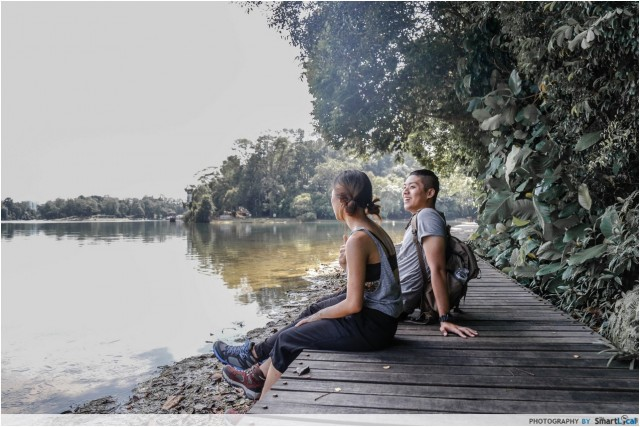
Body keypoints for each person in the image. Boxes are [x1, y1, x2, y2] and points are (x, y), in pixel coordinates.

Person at [219, 170, 404, 400]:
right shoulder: (375, 230)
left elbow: (353, 304)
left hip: (374, 327)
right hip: (382, 319)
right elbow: (373, 284)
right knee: (313, 309)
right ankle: (257, 376)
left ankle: (259, 411)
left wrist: (317, 318)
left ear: (341, 201)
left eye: (331, 196)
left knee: (289, 340)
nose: (330, 201)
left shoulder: (358, 239)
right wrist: (345, 266)